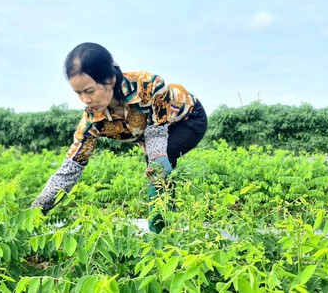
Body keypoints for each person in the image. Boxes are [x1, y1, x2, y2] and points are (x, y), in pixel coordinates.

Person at [31, 42, 207, 233]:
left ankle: (161, 232)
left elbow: (157, 132)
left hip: (188, 119)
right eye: (78, 93)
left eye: (89, 91)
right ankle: (168, 223)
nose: (85, 100)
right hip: (153, 133)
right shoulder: (92, 121)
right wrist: (33, 214)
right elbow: (70, 169)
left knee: (157, 165)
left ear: (110, 78)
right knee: (156, 166)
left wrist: (157, 163)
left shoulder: (149, 86)